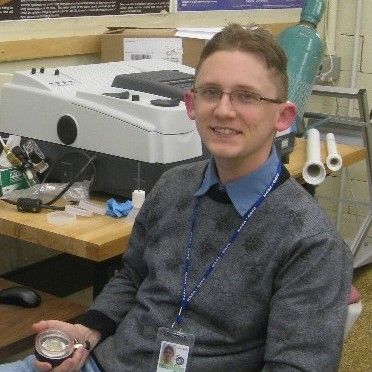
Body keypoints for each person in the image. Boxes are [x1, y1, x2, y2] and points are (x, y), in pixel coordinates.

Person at [0, 23, 352, 372]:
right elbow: (132, 276)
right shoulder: (171, 187)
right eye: (211, 92)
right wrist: (86, 332)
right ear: (191, 104)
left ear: (283, 116)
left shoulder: (311, 242)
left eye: (247, 96)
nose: (224, 110)